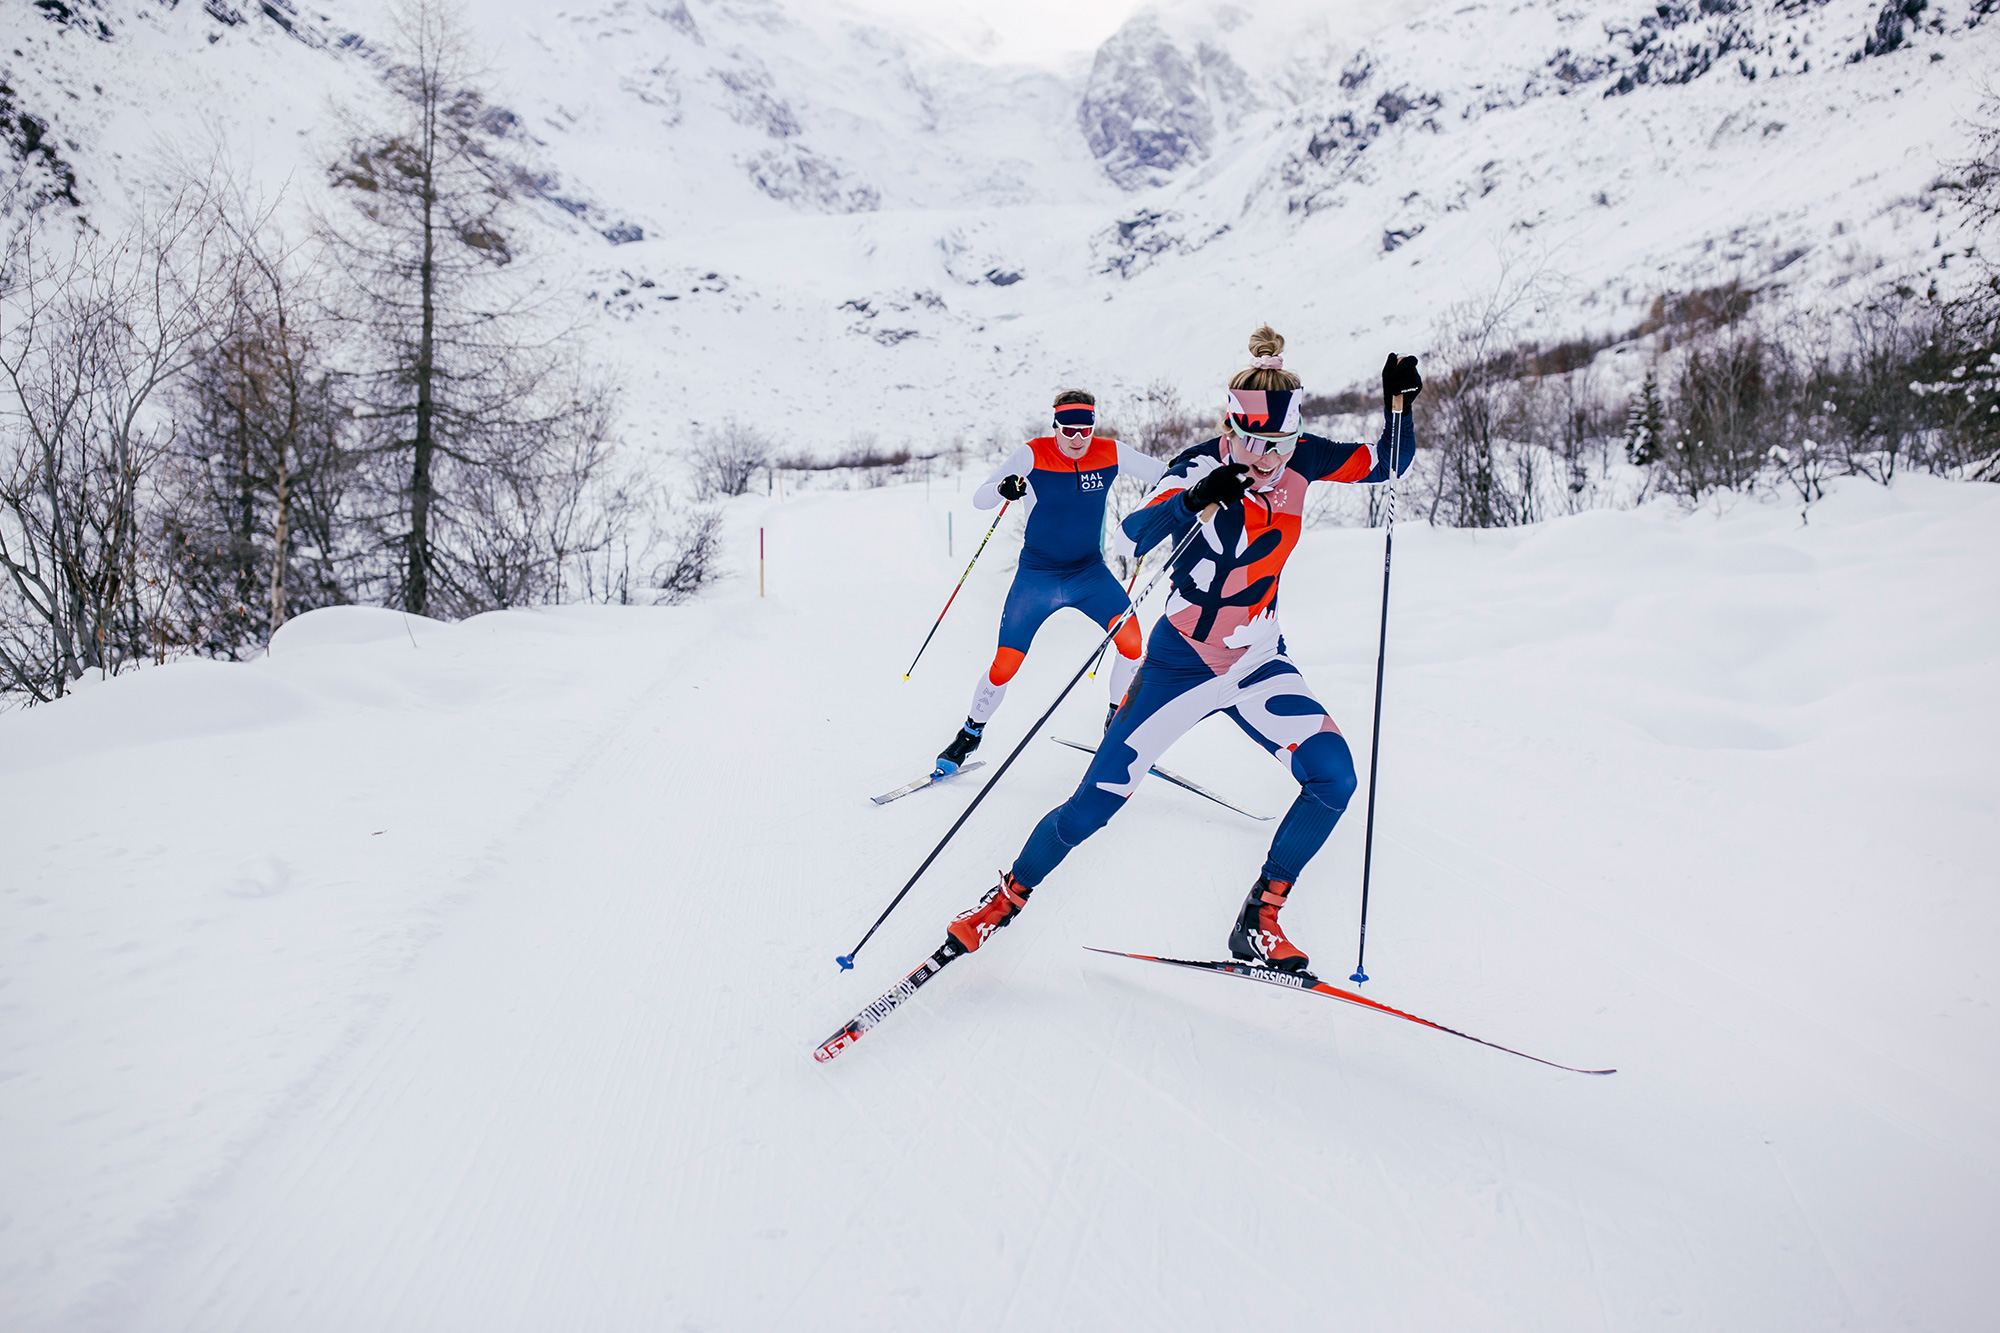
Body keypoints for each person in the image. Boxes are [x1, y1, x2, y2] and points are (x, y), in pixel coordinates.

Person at [942, 327, 1421, 972]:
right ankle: (1002, 903)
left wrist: (1401, 409)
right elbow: (1138, 533)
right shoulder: (1202, 463)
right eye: (1249, 441)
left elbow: (1387, 463)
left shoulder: (1305, 456)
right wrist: (1194, 498)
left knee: (1335, 776)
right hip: (1178, 665)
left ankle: (1260, 919)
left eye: (1275, 444)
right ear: (1230, 427)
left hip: (1256, 661)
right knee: (1094, 805)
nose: (1262, 457)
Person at [933, 390, 1169, 775]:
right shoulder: (1032, 453)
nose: (1078, 439)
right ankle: (970, 733)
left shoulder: (1111, 452)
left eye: (1086, 430)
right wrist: (1004, 488)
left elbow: (1167, 473)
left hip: (1088, 573)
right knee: (1004, 665)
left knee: (1131, 643)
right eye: (1069, 430)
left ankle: (1115, 722)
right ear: (1055, 426)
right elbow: (980, 499)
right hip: (1038, 577)